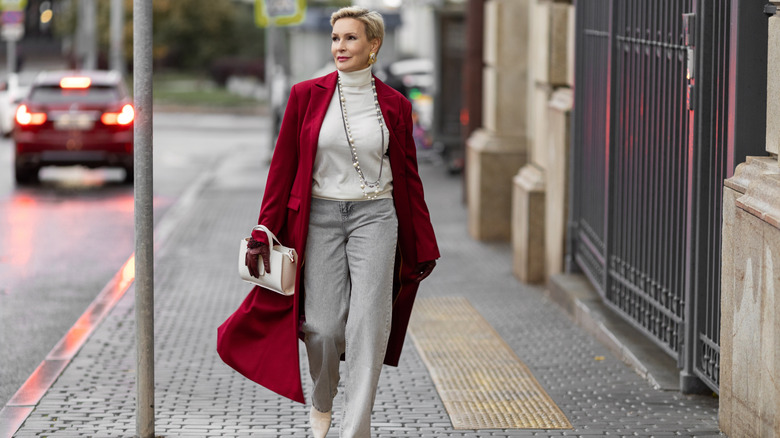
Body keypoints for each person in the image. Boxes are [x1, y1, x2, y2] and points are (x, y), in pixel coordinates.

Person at [217, 6, 439, 438]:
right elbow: (281, 169)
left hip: (375, 217)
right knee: (321, 328)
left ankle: (355, 430)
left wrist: (424, 244)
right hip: (318, 218)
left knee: (368, 327)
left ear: (373, 44)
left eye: (351, 38)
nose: (340, 46)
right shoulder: (306, 95)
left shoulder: (394, 105)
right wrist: (264, 229)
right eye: (336, 38)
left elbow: (409, 178)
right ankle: (323, 401)